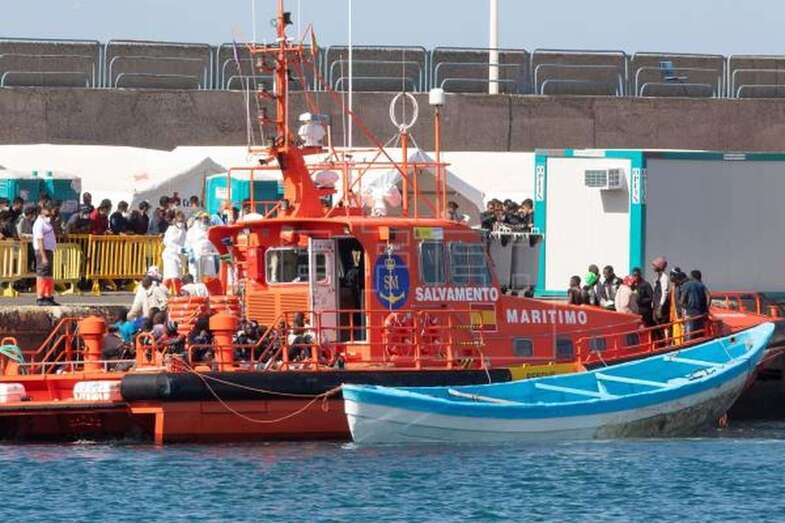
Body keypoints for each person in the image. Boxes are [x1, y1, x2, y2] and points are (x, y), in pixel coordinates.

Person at [32, 202, 59, 306]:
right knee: (42, 274)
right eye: (47, 215)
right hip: (42, 251)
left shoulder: (47, 223)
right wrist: (43, 257)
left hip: (49, 250)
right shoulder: (39, 223)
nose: (49, 217)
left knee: (48, 275)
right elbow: (40, 240)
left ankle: (48, 296)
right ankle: (40, 297)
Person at [184, 212, 218, 280]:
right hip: (196, 255)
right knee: (195, 275)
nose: (205, 220)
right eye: (204, 218)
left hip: (209, 255)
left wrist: (219, 253)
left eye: (207, 218)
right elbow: (187, 244)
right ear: (199, 219)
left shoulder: (211, 230)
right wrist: (190, 255)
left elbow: (214, 243)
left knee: (209, 275)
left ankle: (208, 290)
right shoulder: (192, 230)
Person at [680, 270, 709, 339]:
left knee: (689, 336)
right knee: (700, 336)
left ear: (692, 276)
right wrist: (706, 309)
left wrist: (685, 308)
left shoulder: (686, 285)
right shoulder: (701, 285)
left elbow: (681, 301)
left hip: (690, 313)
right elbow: (709, 296)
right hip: (700, 314)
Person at [162, 210, 187, 293]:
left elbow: (185, 242)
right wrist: (179, 249)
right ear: (175, 220)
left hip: (179, 256)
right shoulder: (171, 229)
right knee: (173, 275)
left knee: (174, 276)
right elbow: (168, 242)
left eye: (182, 220)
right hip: (170, 255)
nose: (181, 222)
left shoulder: (183, 230)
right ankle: (176, 295)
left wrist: (187, 251)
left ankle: (164, 294)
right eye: (179, 220)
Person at [651, 256, 671, 326]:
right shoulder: (657, 278)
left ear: (659, 266)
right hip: (656, 305)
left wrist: (660, 306)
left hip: (661, 306)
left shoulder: (664, 278)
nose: (653, 267)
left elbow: (664, 292)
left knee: (662, 324)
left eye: (654, 266)